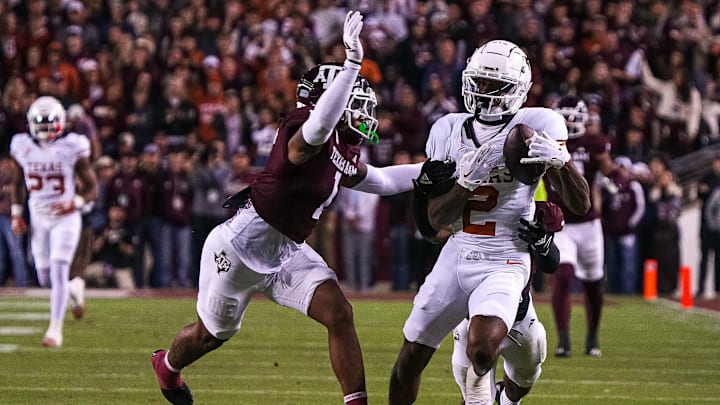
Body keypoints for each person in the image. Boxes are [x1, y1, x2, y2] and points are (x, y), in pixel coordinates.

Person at [151, 12, 423, 405]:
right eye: (352, 98)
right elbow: (316, 131)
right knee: (208, 336)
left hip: (287, 251)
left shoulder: (340, 149)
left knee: (339, 313)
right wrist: (349, 66)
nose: (363, 110)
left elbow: (379, 180)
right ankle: (168, 368)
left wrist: (433, 169)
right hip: (239, 249)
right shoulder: (303, 130)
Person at [388, 39, 590, 405]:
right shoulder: (447, 130)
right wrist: (464, 184)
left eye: (492, 86)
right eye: (477, 82)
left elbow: (580, 203)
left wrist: (561, 162)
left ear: (516, 90)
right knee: (409, 360)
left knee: (482, 348)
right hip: (458, 252)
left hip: (506, 258)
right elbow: (434, 223)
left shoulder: (537, 125)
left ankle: (488, 396)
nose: (481, 92)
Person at [452, 201, 564, 405]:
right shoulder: (468, 199)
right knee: (475, 399)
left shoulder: (533, 210)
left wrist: (542, 243)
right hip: (472, 320)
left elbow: (552, 262)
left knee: (521, 383)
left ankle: (508, 398)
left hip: (518, 320)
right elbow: (433, 229)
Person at [9, 96, 99, 347]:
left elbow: (93, 187)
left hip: (65, 217)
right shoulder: (21, 145)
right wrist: (17, 213)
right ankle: (75, 289)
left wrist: (76, 203)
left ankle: (55, 330)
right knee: (45, 278)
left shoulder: (73, 146)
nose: (46, 127)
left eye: (50, 121)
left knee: (59, 270)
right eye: (40, 122)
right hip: (39, 217)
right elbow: (17, 183)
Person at [548, 95, 618, 358]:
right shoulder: (546, 142)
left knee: (593, 284)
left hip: (589, 224)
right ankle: (563, 339)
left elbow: (608, 167)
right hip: (562, 223)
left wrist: (617, 175)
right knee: (563, 275)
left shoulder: (593, 143)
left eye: (571, 116)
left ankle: (592, 337)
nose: (567, 121)